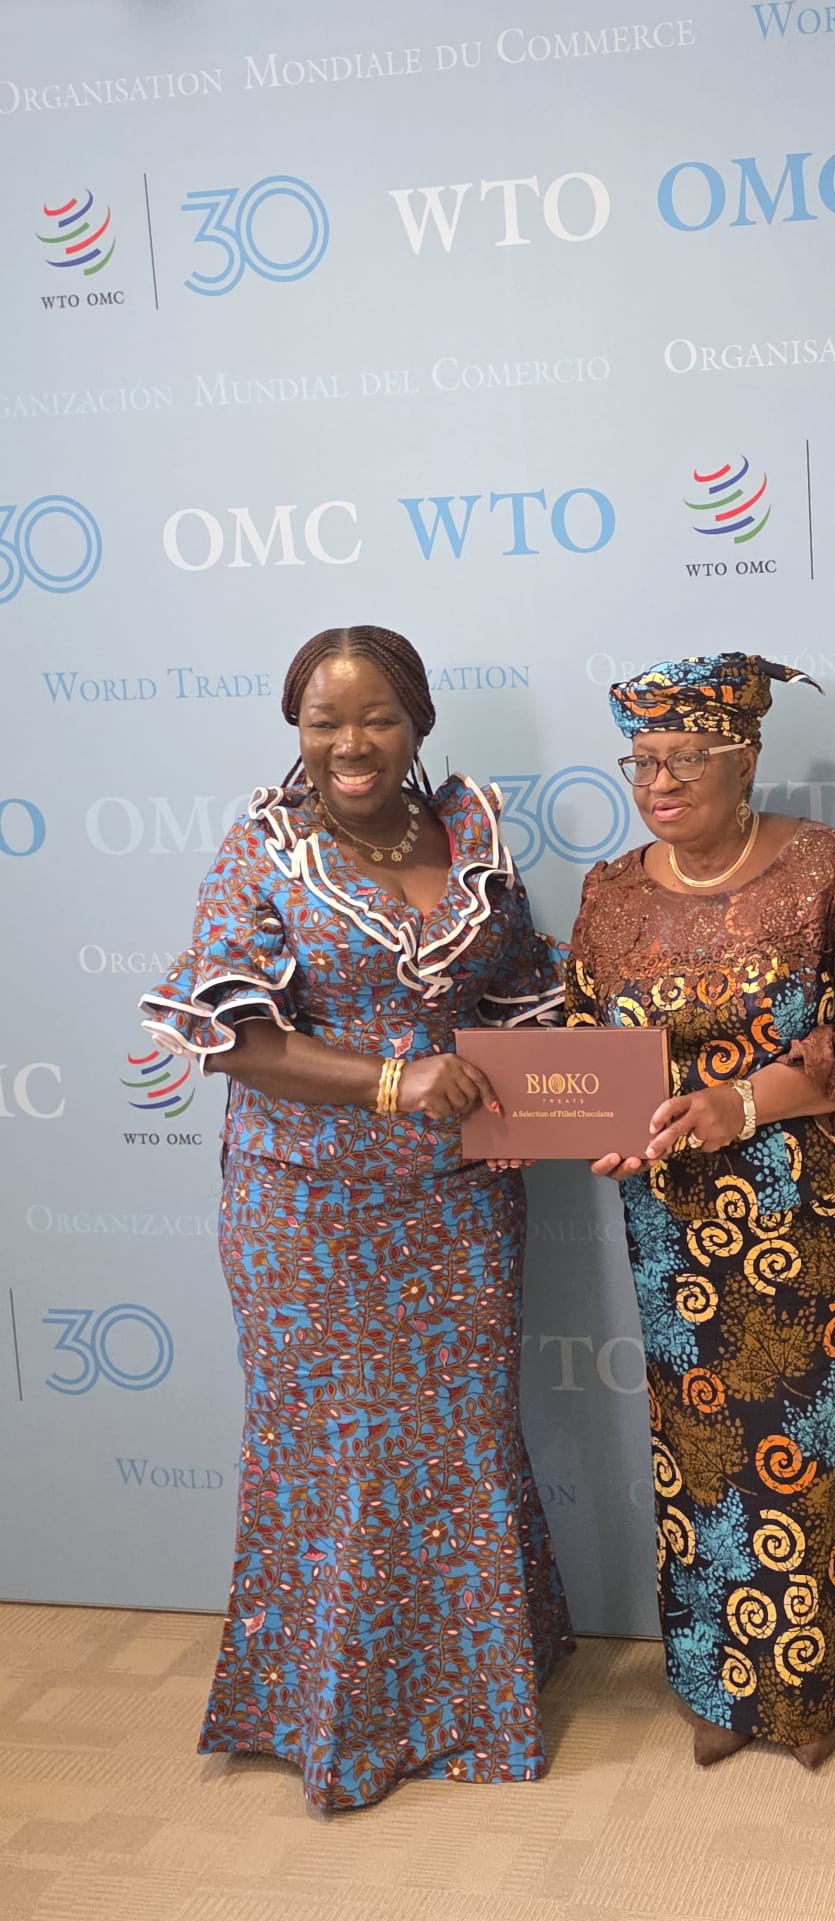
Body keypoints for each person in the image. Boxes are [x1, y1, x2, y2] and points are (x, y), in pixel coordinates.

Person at [140, 625, 573, 1810]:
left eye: (374, 716)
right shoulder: (261, 850)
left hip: (465, 1202)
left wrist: (603, 1096)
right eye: (323, 720)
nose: (348, 743)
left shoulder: (471, 836)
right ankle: (333, 1715)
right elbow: (233, 1035)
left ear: (417, 721)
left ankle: (482, 1701)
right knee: (333, 1457)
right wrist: (395, 1079)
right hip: (307, 1208)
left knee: (461, 1442)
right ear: (297, 730)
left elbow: (524, 993)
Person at [565, 652, 835, 1770]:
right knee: (701, 1442)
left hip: (803, 1214)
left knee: (812, 1441)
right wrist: (597, 1118)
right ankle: (720, 1681)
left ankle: (814, 1684)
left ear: (746, 755)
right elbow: (586, 1033)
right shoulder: (611, 890)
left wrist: (743, 1102)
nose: (658, 780)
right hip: (672, 1219)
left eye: (684, 757)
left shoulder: (832, 867)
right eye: (641, 759)